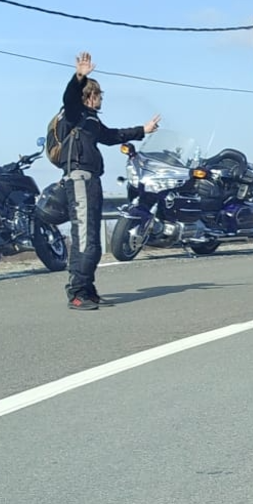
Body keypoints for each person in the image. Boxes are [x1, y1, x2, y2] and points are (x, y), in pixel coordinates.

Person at [61, 53, 160, 311]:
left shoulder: (91, 120)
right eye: (100, 96)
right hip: (79, 177)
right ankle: (76, 292)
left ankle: (88, 289)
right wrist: (79, 76)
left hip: (91, 179)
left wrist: (142, 130)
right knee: (85, 238)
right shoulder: (74, 114)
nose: (102, 100)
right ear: (90, 96)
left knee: (92, 240)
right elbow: (69, 97)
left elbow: (111, 135)